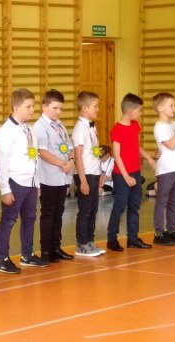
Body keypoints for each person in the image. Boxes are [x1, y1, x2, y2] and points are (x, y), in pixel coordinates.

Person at [0, 88, 48, 274]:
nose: (32, 110)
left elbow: (34, 157)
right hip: (15, 182)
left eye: (33, 106)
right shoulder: (6, 131)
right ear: (16, 108)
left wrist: (37, 183)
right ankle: (2, 258)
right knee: (8, 220)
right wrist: (4, 189)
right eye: (28, 106)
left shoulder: (30, 129)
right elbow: (2, 161)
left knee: (30, 218)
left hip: (30, 183)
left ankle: (27, 254)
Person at [106, 93, 157, 251]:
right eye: (139, 111)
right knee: (120, 206)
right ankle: (112, 239)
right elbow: (117, 155)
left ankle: (132, 238)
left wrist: (148, 158)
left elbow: (136, 146)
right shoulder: (117, 130)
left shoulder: (135, 126)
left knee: (135, 206)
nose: (140, 114)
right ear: (130, 111)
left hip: (135, 172)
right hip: (122, 175)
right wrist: (126, 176)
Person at [33, 89, 74, 263]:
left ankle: (56, 247)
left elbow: (68, 146)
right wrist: (62, 164)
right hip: (48, 177)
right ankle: (46, 250)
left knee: (59, 213)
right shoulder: (40, 127)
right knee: (48, 214)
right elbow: (42, 152)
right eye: (55, 108)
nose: (58, 112)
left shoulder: (60, 125)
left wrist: (71, 160)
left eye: (61, 109)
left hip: (62, 177)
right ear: (44, 107)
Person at [151, 92, 175, 246]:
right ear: (161, 108)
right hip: (165, 170)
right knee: (162, 201)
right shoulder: (159, 127)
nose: (174, 108)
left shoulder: (174, 125)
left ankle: (171, 229)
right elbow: (171, 145)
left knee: (173, 201)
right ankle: (159, 232)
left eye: (174, 105)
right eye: (171, 105)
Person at [71, 91, 109, 256]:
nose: (97, 109)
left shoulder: (91, 127)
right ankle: (81, 244)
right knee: (85, 210)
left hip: (93, 172)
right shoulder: (80, 129)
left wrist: (100, 172)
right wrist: (83, 180)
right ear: (85, 108)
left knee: (93, 209)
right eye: (95, 106)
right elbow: (78, 157)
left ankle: (90, 241)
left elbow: (94, 152)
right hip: (84, 174)